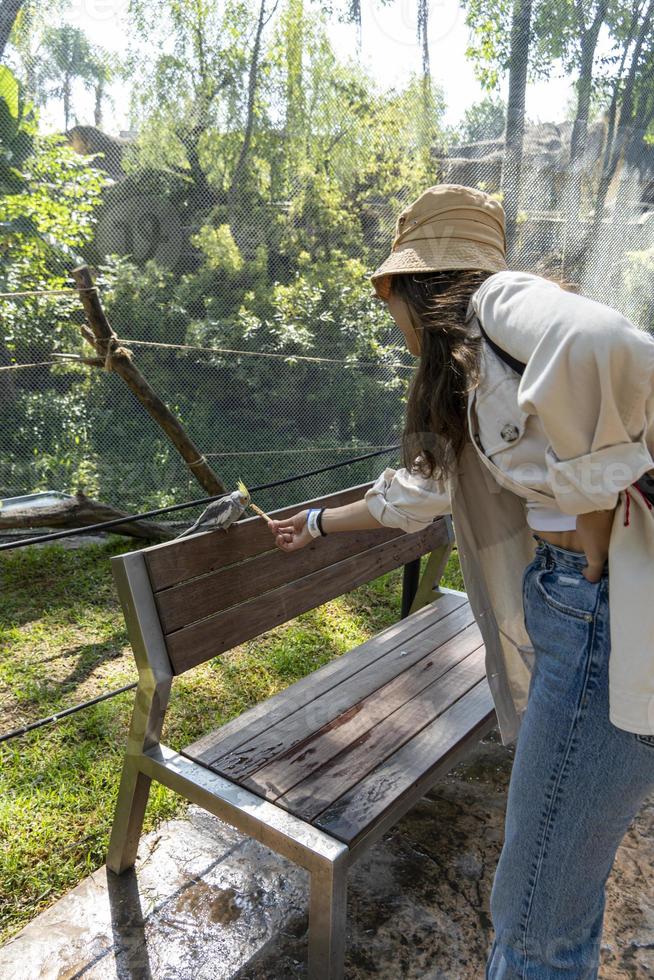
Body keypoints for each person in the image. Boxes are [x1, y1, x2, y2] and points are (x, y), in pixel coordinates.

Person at [267, 183, 654, 977]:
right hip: (587, 611)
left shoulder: (502, 301)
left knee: (535, 915)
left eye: (390, 297)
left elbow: (604, 343)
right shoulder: (479, 369)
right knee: (552, 892)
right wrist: (312, 525)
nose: (390, 317)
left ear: (410, 286)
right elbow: (420, 490)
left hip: (598, 615)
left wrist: (589, 528)